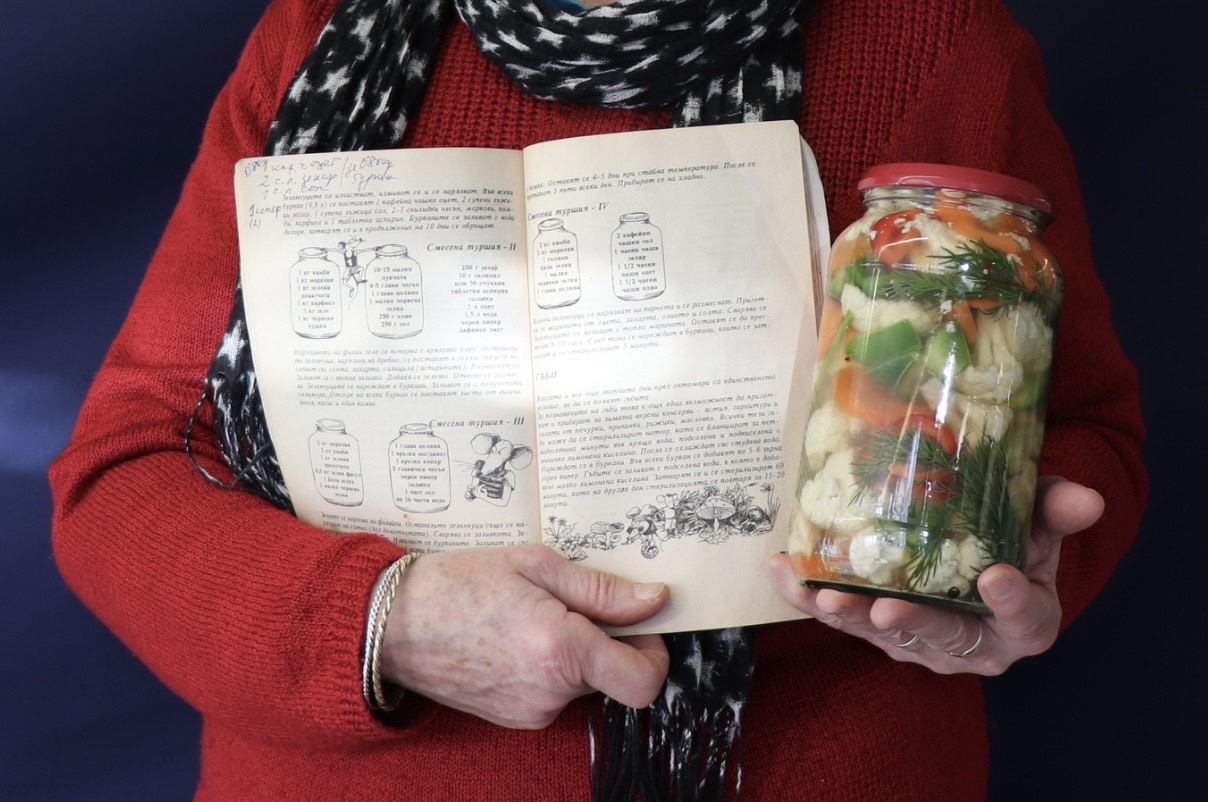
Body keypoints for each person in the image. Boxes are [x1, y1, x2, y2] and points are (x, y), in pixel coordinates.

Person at [49, 0, 1146, 799]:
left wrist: (1005, 582)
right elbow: (127, 466)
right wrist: (383, 619)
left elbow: (1084, 437)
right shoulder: (315, 40)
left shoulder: (941, 43)